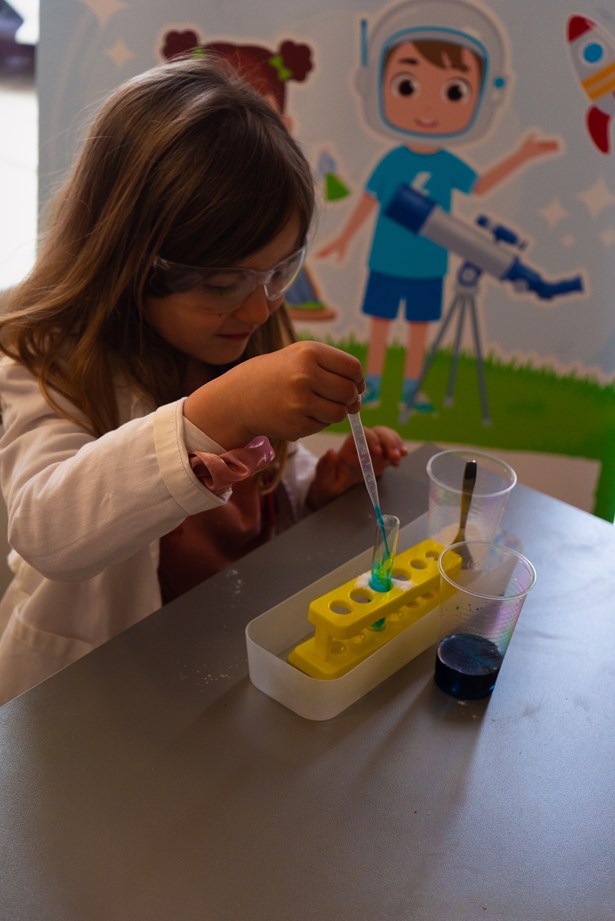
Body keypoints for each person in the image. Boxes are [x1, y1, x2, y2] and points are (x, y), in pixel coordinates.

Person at [0, 56, 406, 704]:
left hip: (220, 668)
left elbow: (255, 496)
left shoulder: (234, 331)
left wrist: (314, 494)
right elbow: (47, 530)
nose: (259, 308)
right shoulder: (47, 364)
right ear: (128, 259)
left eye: (281, 271)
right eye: (222, 283)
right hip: (90, 700)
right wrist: (223, 409)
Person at [318, 1, 559, 412]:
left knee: (418, 329)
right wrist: (343, 238)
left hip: (428, 265)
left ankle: (412, 388)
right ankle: (371, 383)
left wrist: (522, 155)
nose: (428, 107)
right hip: (386, 260)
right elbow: (370, 200)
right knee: (379, 324)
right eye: (407, 86)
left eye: (453, 92)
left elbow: (480, 185)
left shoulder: (448, 164)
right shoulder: (392, 161)